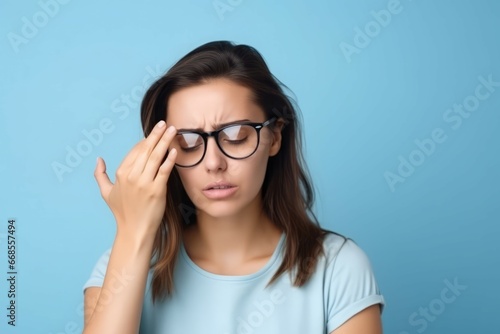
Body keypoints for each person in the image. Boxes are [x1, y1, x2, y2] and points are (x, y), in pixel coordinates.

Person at [82, 40, 385, 334]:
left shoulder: (338, 267)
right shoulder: (120, 265)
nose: (213, 163)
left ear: (275, 137)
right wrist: (132, 231)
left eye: (237, 135)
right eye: (188, 142)